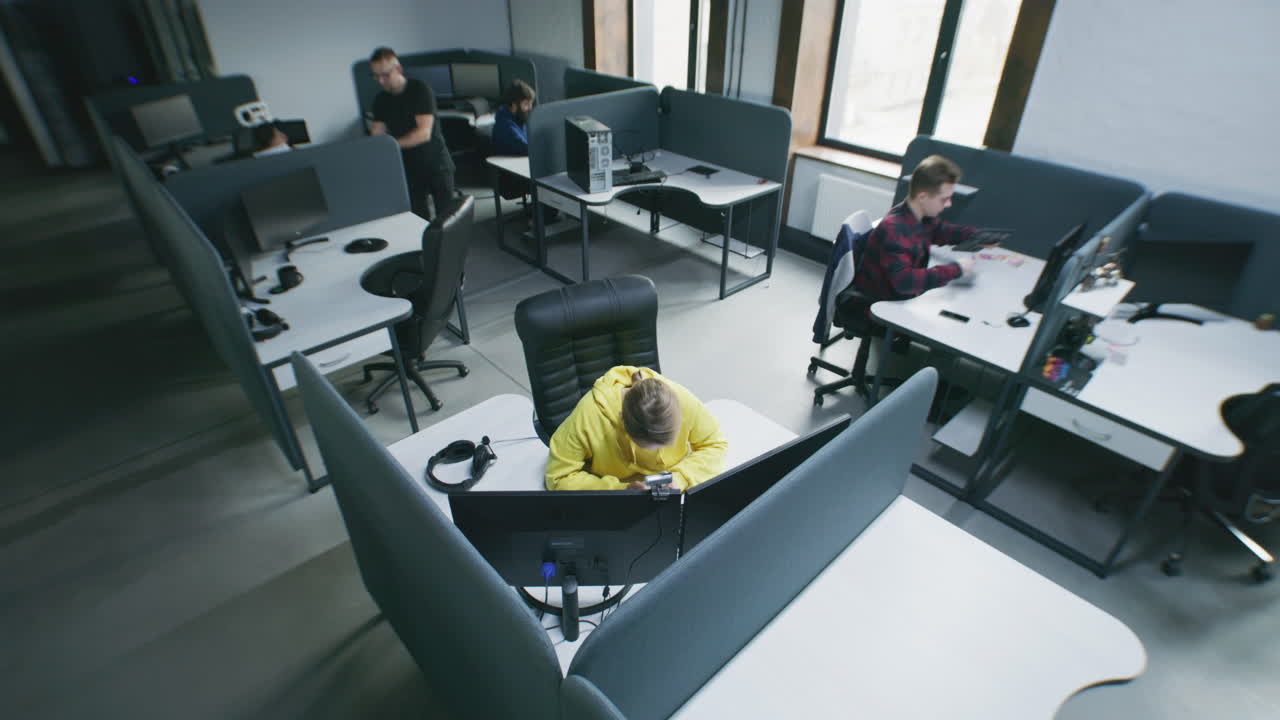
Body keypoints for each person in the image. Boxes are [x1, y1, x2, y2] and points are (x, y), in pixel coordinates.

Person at [545, 366, 727, 491]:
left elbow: (715, 444)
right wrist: (620, 491)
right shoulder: (587, 416)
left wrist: (679, 478)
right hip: (617, 501)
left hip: (672, 492)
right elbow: (558, 477)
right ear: (622, 420)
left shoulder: (680, 399)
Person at [848, 154, 980, 302]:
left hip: (899, 297)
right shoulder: (894, 229)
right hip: (878, 307)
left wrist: (977, 236)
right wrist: (957, 269)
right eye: (944, 199)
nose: (949, 204)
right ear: (922, 197)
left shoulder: (921, 216)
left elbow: (941, 231)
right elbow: (906, 282)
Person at [368, 46, 456, 220]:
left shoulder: (419, 90)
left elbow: (423, 133)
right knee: (417, 219)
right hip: (409, 167)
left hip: (436, 163)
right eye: (376, 76)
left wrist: (390, 146)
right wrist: (374, 148)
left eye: (385, 75)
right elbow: (376, 135)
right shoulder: (380, 100)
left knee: (446, 219)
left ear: (398, 69)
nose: (380, 81)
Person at [491, 79, 535, 156]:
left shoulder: (518, 118)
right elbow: (527, 149)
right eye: (526, 104)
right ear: (514, 104)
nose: (530, 108)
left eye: (531, 103)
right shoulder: (505, 126)